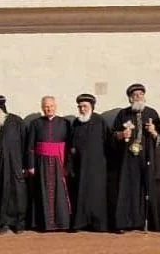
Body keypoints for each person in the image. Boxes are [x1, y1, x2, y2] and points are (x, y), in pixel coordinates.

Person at [112, 83, 160, 233]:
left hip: (146, 156)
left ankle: (148, 223)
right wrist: (122, 135)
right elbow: (113, 135)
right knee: (126, 188)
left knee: (146, 187)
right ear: (130, 98)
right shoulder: (123, 114)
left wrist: (154, 132)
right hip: (128, 159)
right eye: (135, 95)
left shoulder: (152, 113)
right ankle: (124, 223)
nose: (138, 97)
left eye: (141, 94)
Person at [26, 95, 72, 232]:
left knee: (60, 192)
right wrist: (31, 165)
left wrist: (67, 166)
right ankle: (44, 224)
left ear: (55, 106)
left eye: (51, 106)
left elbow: (69, 146)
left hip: (59, 161)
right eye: (46, 106)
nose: (48, 109)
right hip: (41, 163)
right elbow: (30, 146)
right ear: (42, 108)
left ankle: (61, 223)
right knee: (42, 191)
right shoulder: (35, 123)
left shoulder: (65, 123)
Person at [67, 93, 110, 232]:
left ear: (91, 107)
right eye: (80, 106)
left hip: (97, 167)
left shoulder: (100, 121)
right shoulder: (76, 123)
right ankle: (81, 223)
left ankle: (98, 224)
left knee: (97, 195)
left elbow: (109, 143)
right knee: (80, 194)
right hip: (80, 167)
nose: (82, 109)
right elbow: (71, 143)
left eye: (85, 106)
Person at [0, 95, 27, 235]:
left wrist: (25, 165)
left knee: (17, 194)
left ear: (0, 108)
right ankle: (3, 223)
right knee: (1, 193)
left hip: (15, 164)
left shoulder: (16, 121)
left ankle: (18, 224)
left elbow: (25, 144)